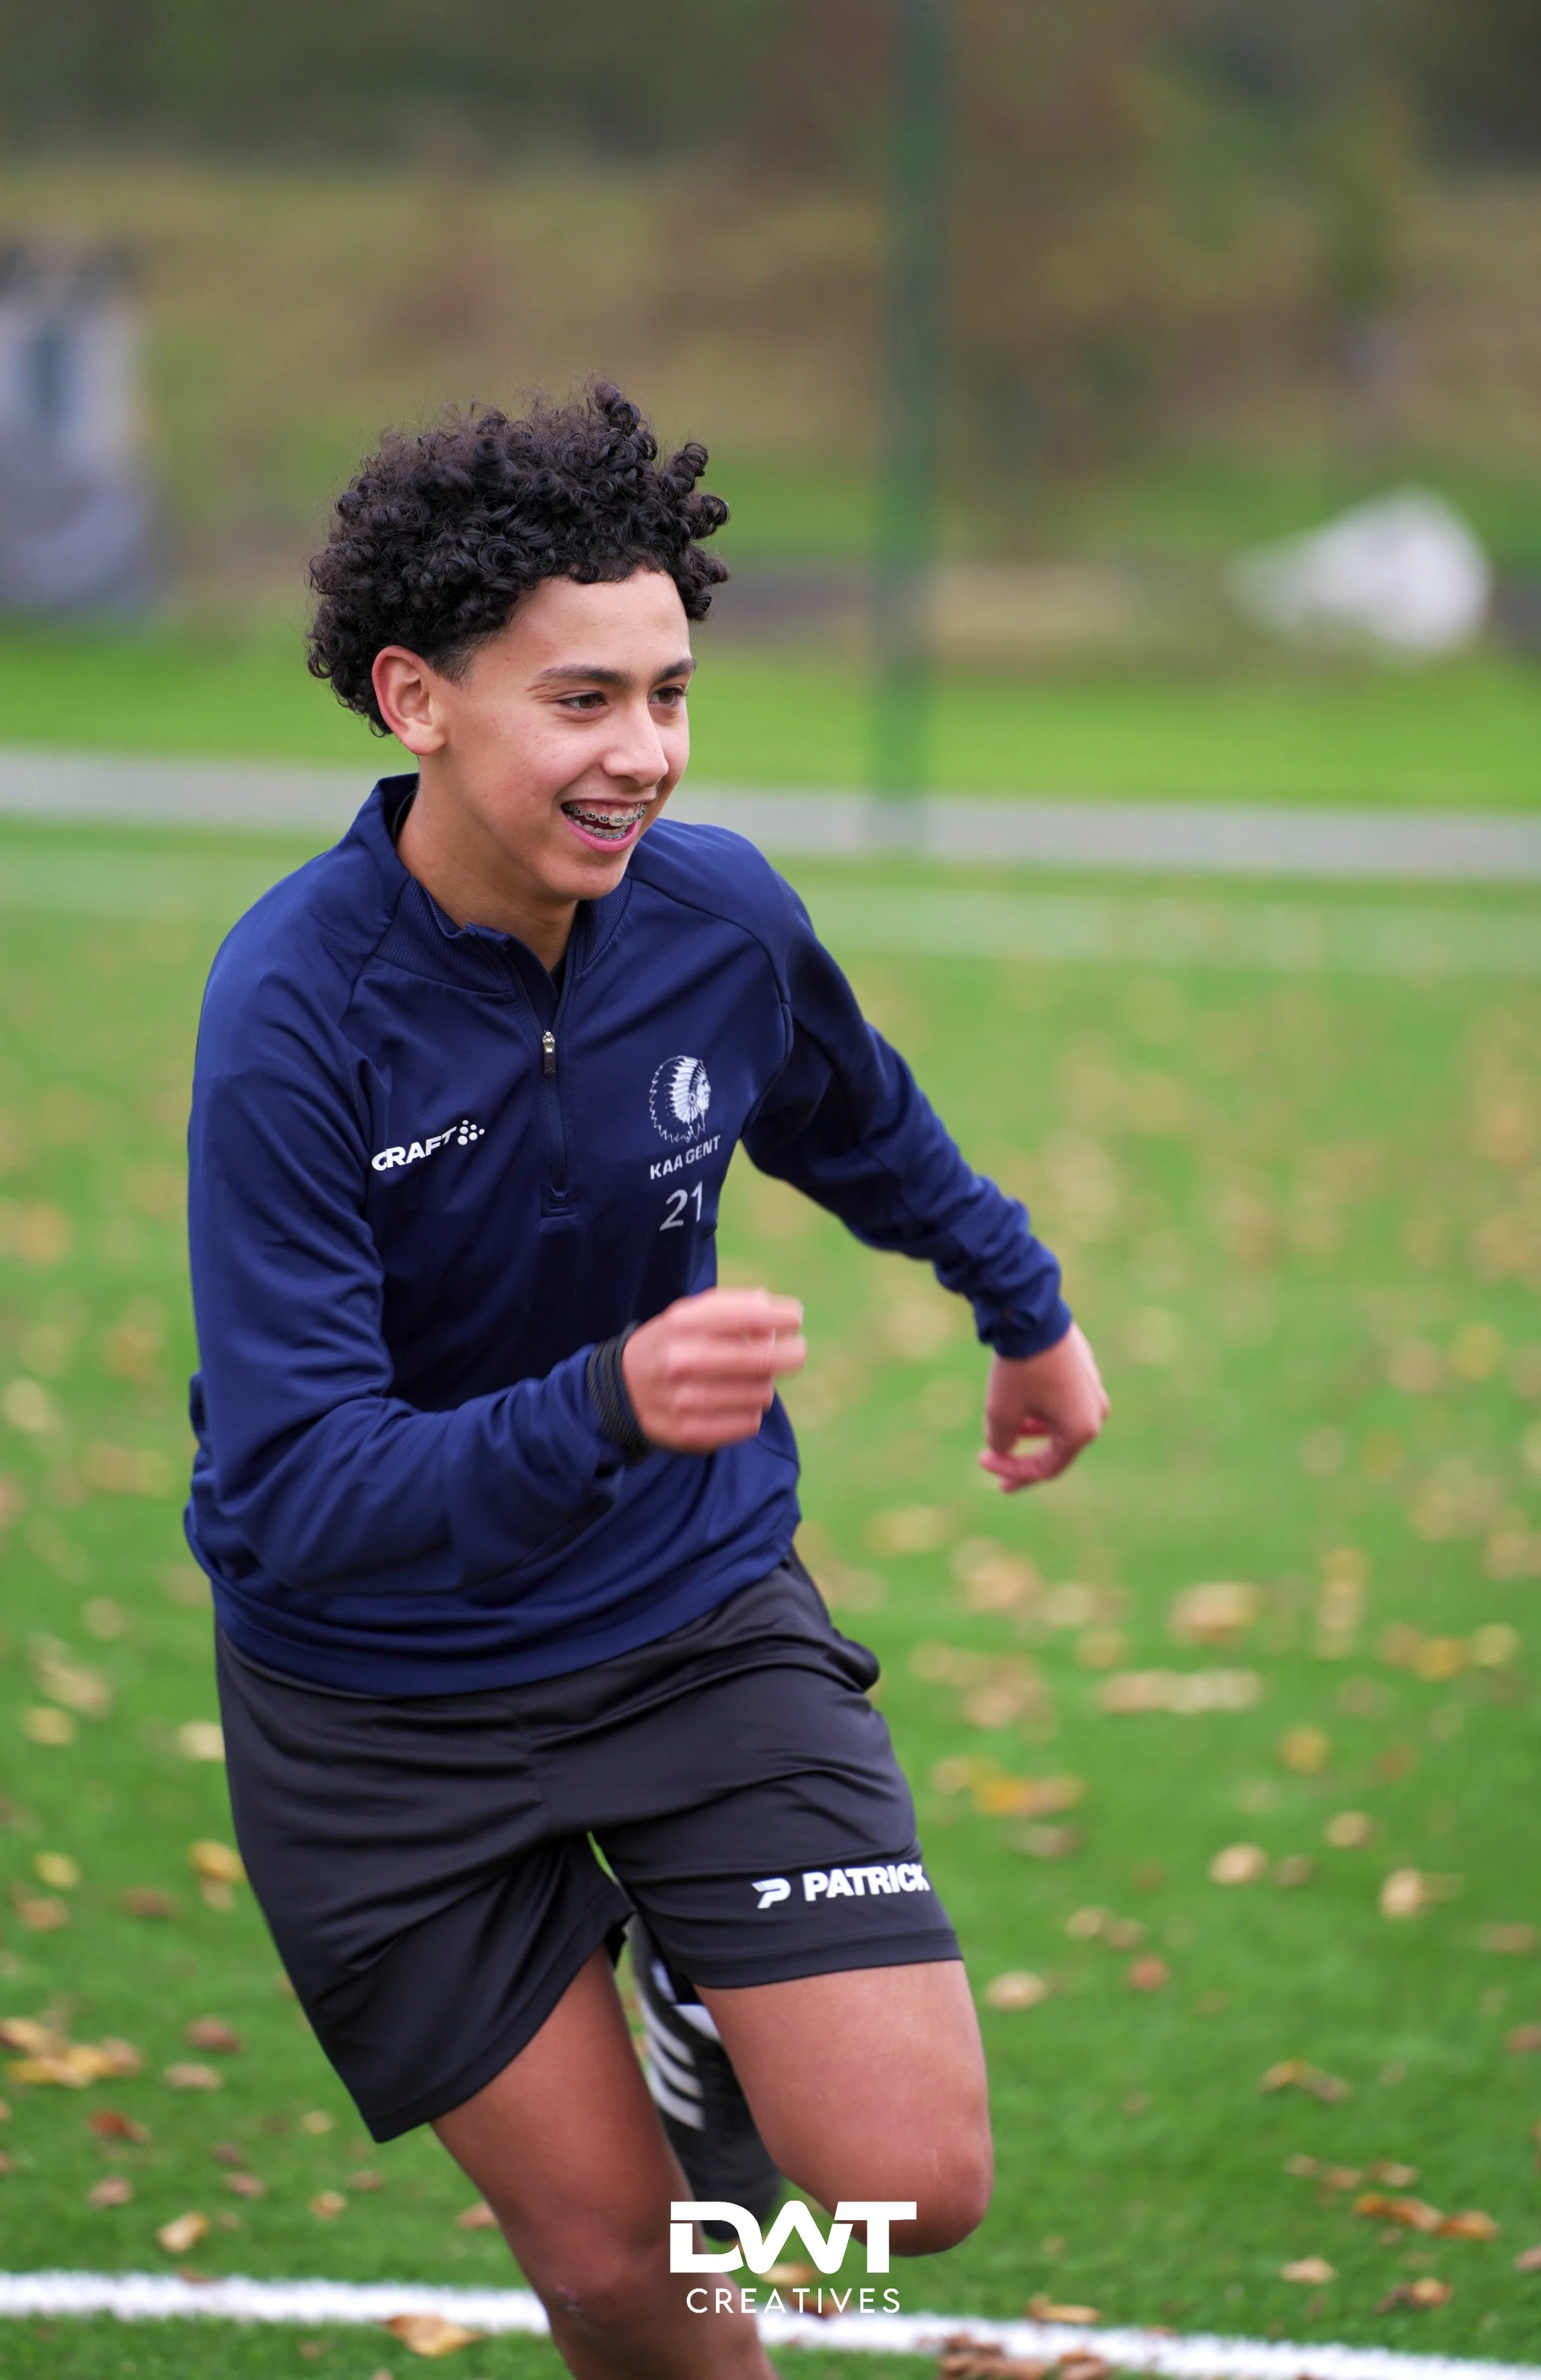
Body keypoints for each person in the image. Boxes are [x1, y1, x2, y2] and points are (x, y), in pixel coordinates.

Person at [186, 383, 1109, 2380]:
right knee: (623, 2277)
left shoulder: (714, 915)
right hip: (376, 1699)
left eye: (670, 694)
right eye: (582, 700)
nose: (645, 754)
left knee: (902, 2197)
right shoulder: (291, 1012)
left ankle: (703, 2017)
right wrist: (603, 1400)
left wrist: (1020, 1305)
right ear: (417, 701)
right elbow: (299, 1488)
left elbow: (858, 1119)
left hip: (681, 1617)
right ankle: (679, 2193)